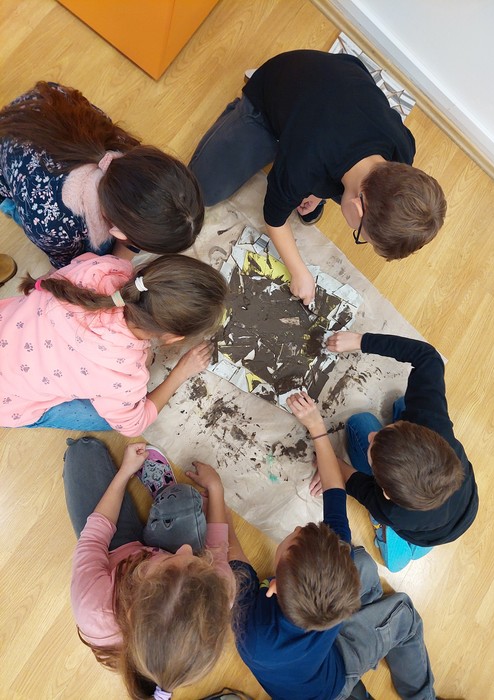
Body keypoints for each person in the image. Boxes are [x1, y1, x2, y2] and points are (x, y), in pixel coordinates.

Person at [227, 392, 440, 700]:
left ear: (273, 587)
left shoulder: (253, 632)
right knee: (401, 613)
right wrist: (317, 427)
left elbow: (235, 565)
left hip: (323, 677)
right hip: (332, 674)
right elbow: (335, 491)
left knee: (363, 566)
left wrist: (215, 494)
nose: (297, 528)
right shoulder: (256, 625)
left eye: (294, 538)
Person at [189, 50, 447, 305]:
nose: (357, 233)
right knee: (202, 191)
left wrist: (317, 192)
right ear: (357, 208)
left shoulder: (402, 150)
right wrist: (299, 271)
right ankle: (243, 114)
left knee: (310, 181)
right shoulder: (306, 163)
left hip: (334, 88)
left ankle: (293, 143)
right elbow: (274, 219)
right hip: (277, 90)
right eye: (360, 233)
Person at [64, 436, 235, 699]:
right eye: (196, 561)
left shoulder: (93, 609)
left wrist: (125, 473)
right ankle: (167, 511)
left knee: (83, 451)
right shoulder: (215, 596)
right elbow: (217, 550)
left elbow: (95, 536)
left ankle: (164, 514)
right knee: (186, 500)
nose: (186, 549)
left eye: (169, 560)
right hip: (135, 562)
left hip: (115, 549)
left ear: (135, 600)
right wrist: (216, 490)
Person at [0, 251, 227, 435]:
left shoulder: (105, 269)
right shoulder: (123, 376)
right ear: (173, 338)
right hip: (7, 401)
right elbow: (134, 425)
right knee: (107, 421)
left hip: (7, 327)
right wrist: (180, 372)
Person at [311, 330, 479, 572]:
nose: (372, 436)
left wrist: (328, 461)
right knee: (403, 403)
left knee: (360, 424)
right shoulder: (434, 421)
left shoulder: (391, 510)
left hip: (420, 528)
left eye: (372, 449)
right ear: (427, 434)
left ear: (386, 492)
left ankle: (391, 538)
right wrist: (360, 340)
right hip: (461, 509)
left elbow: (352, 481)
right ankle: (417, 540)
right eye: (394, 429)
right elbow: (427, 356)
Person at [0, 81, 203, 269]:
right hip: (9, 156)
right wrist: (112, 262)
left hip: (41, 106)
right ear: (117, 232)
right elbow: (69, 268)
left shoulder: (125, 150)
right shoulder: (52, 226)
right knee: (86, 254)